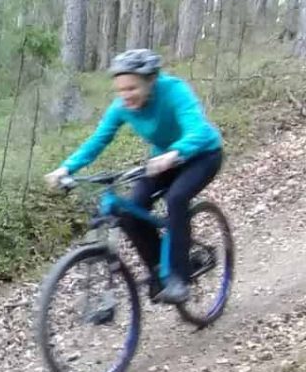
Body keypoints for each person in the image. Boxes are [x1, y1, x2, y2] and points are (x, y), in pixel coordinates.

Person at [45, 49, 223, 304]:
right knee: (129, 210)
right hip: (163, 161)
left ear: (151, 81)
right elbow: (98, 140)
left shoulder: (174, 91)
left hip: (203, 155)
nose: (125, 96)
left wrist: (175, 153)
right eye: (120, 90)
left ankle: (179, 279)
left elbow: (197, 128)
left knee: (177, 198)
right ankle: (158, 272)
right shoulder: (122, 107)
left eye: (132, 88)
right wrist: (66, 169)